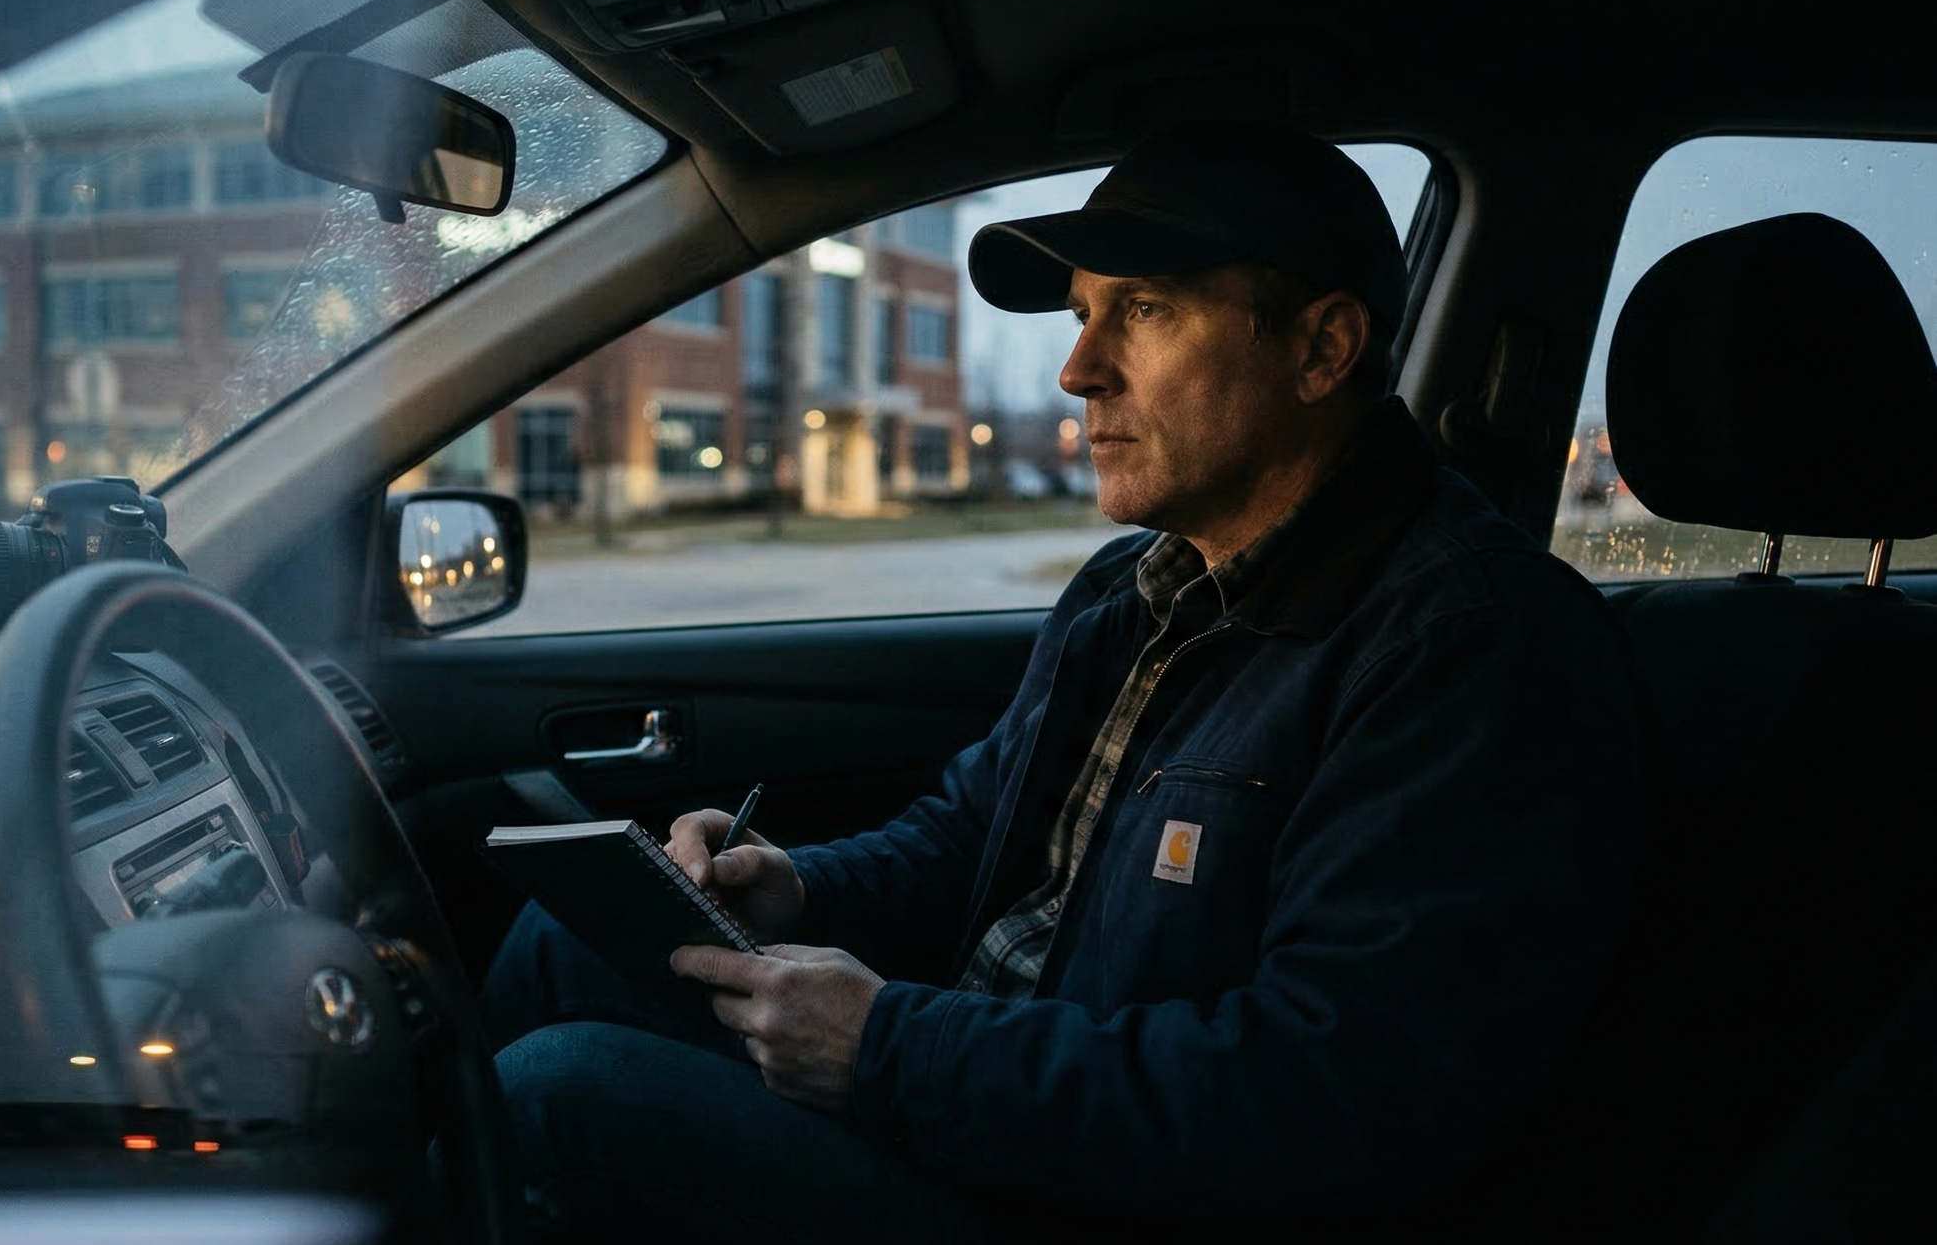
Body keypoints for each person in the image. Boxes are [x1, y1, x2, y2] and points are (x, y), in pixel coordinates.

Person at [482, 121, 1648, 1241]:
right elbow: (968, 838)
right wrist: (792, 890)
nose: (1077, 369)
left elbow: (1337, 1093)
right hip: (993, 1104)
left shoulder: (1465, 644)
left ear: (1320, 348)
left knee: (560, 1093)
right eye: (1087, 313)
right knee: (562, 940)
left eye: (1142, 310)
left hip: (1101, 1198)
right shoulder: (1126, 589)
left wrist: (890, 1048)